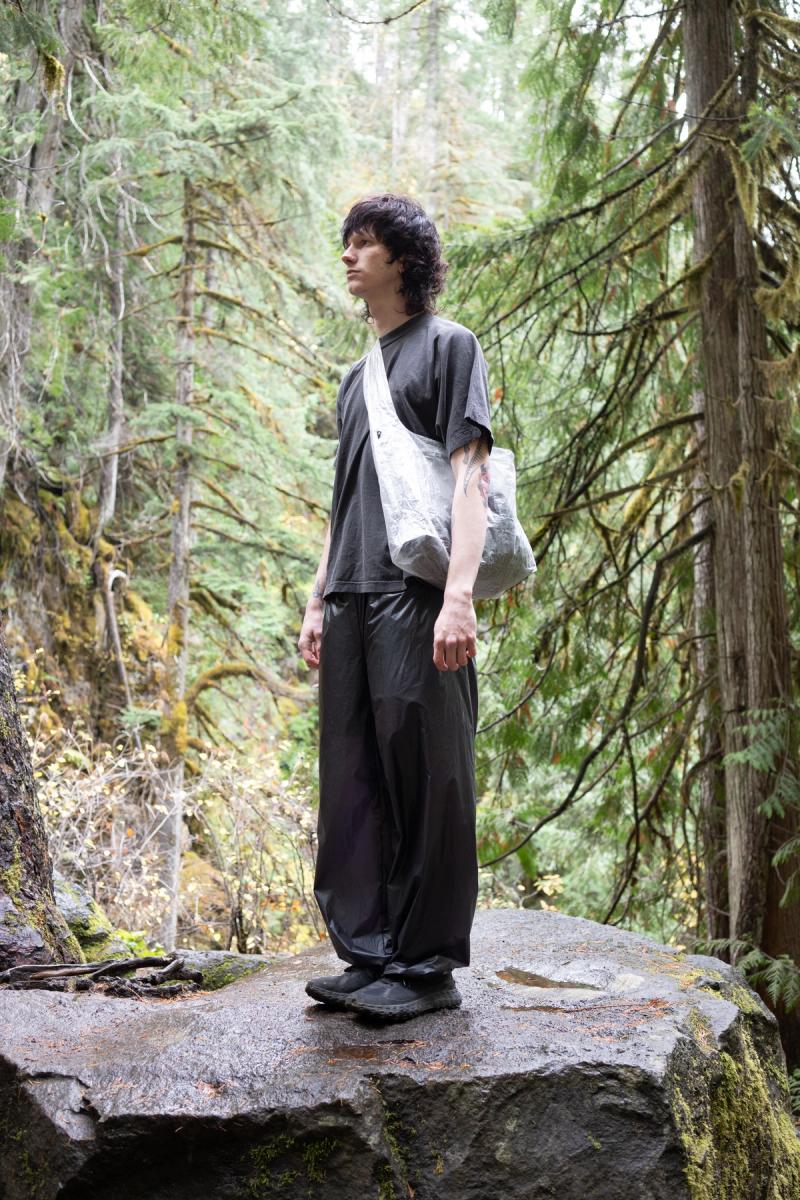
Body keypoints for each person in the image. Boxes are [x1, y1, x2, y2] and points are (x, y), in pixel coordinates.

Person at [297, 193, 492, 1021]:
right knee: (355, 777)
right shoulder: (356, 377)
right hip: (350, 596)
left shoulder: (449, 347)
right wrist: (317, 599)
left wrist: (459, 597)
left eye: (365, 243)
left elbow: (470, 475)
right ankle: (371, 952)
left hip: (416, 596)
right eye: (347, 242)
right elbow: (344, 501)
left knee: (428, 773)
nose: (349, 255)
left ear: (404, 260)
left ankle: (426, 967)